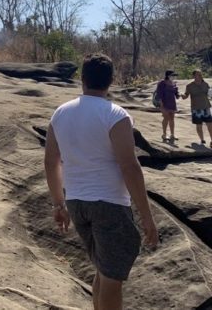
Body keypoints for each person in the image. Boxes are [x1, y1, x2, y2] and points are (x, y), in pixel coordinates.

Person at [45, 53, 158, 310]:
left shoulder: (60, 114)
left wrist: (58, 204)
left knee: (102, 270)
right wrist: (147, 217)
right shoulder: (115, 115)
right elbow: (129, 165)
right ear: (111, 80)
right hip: (109, 204)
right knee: (112, 279)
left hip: (76, 202)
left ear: (82, 79)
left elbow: (51, 161)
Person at [182, 69, 212, 145]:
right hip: (196, 108)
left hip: (206, 107)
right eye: (198, 74)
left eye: (200, 74)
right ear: (194, 76)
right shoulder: (189, 86)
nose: (200, 76)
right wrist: (183, 96)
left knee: (210, 125)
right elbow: (186, 95)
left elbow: (209, 93)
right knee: (199, 125)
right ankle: (202, 140)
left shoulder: (205, 84)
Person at [156, 70, 180, 143]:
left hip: (172, 103)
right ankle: (164, 134)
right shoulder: (162, 83)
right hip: (164, 103)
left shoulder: (173, 84)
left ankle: (172, 134)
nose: (173, 77)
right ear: (168, 76)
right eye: (172, 75)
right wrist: (161, 105)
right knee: (166, 118)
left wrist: (179, 95)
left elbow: (176, 94)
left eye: (174, 76)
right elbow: (159, 94)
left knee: (172, 118)